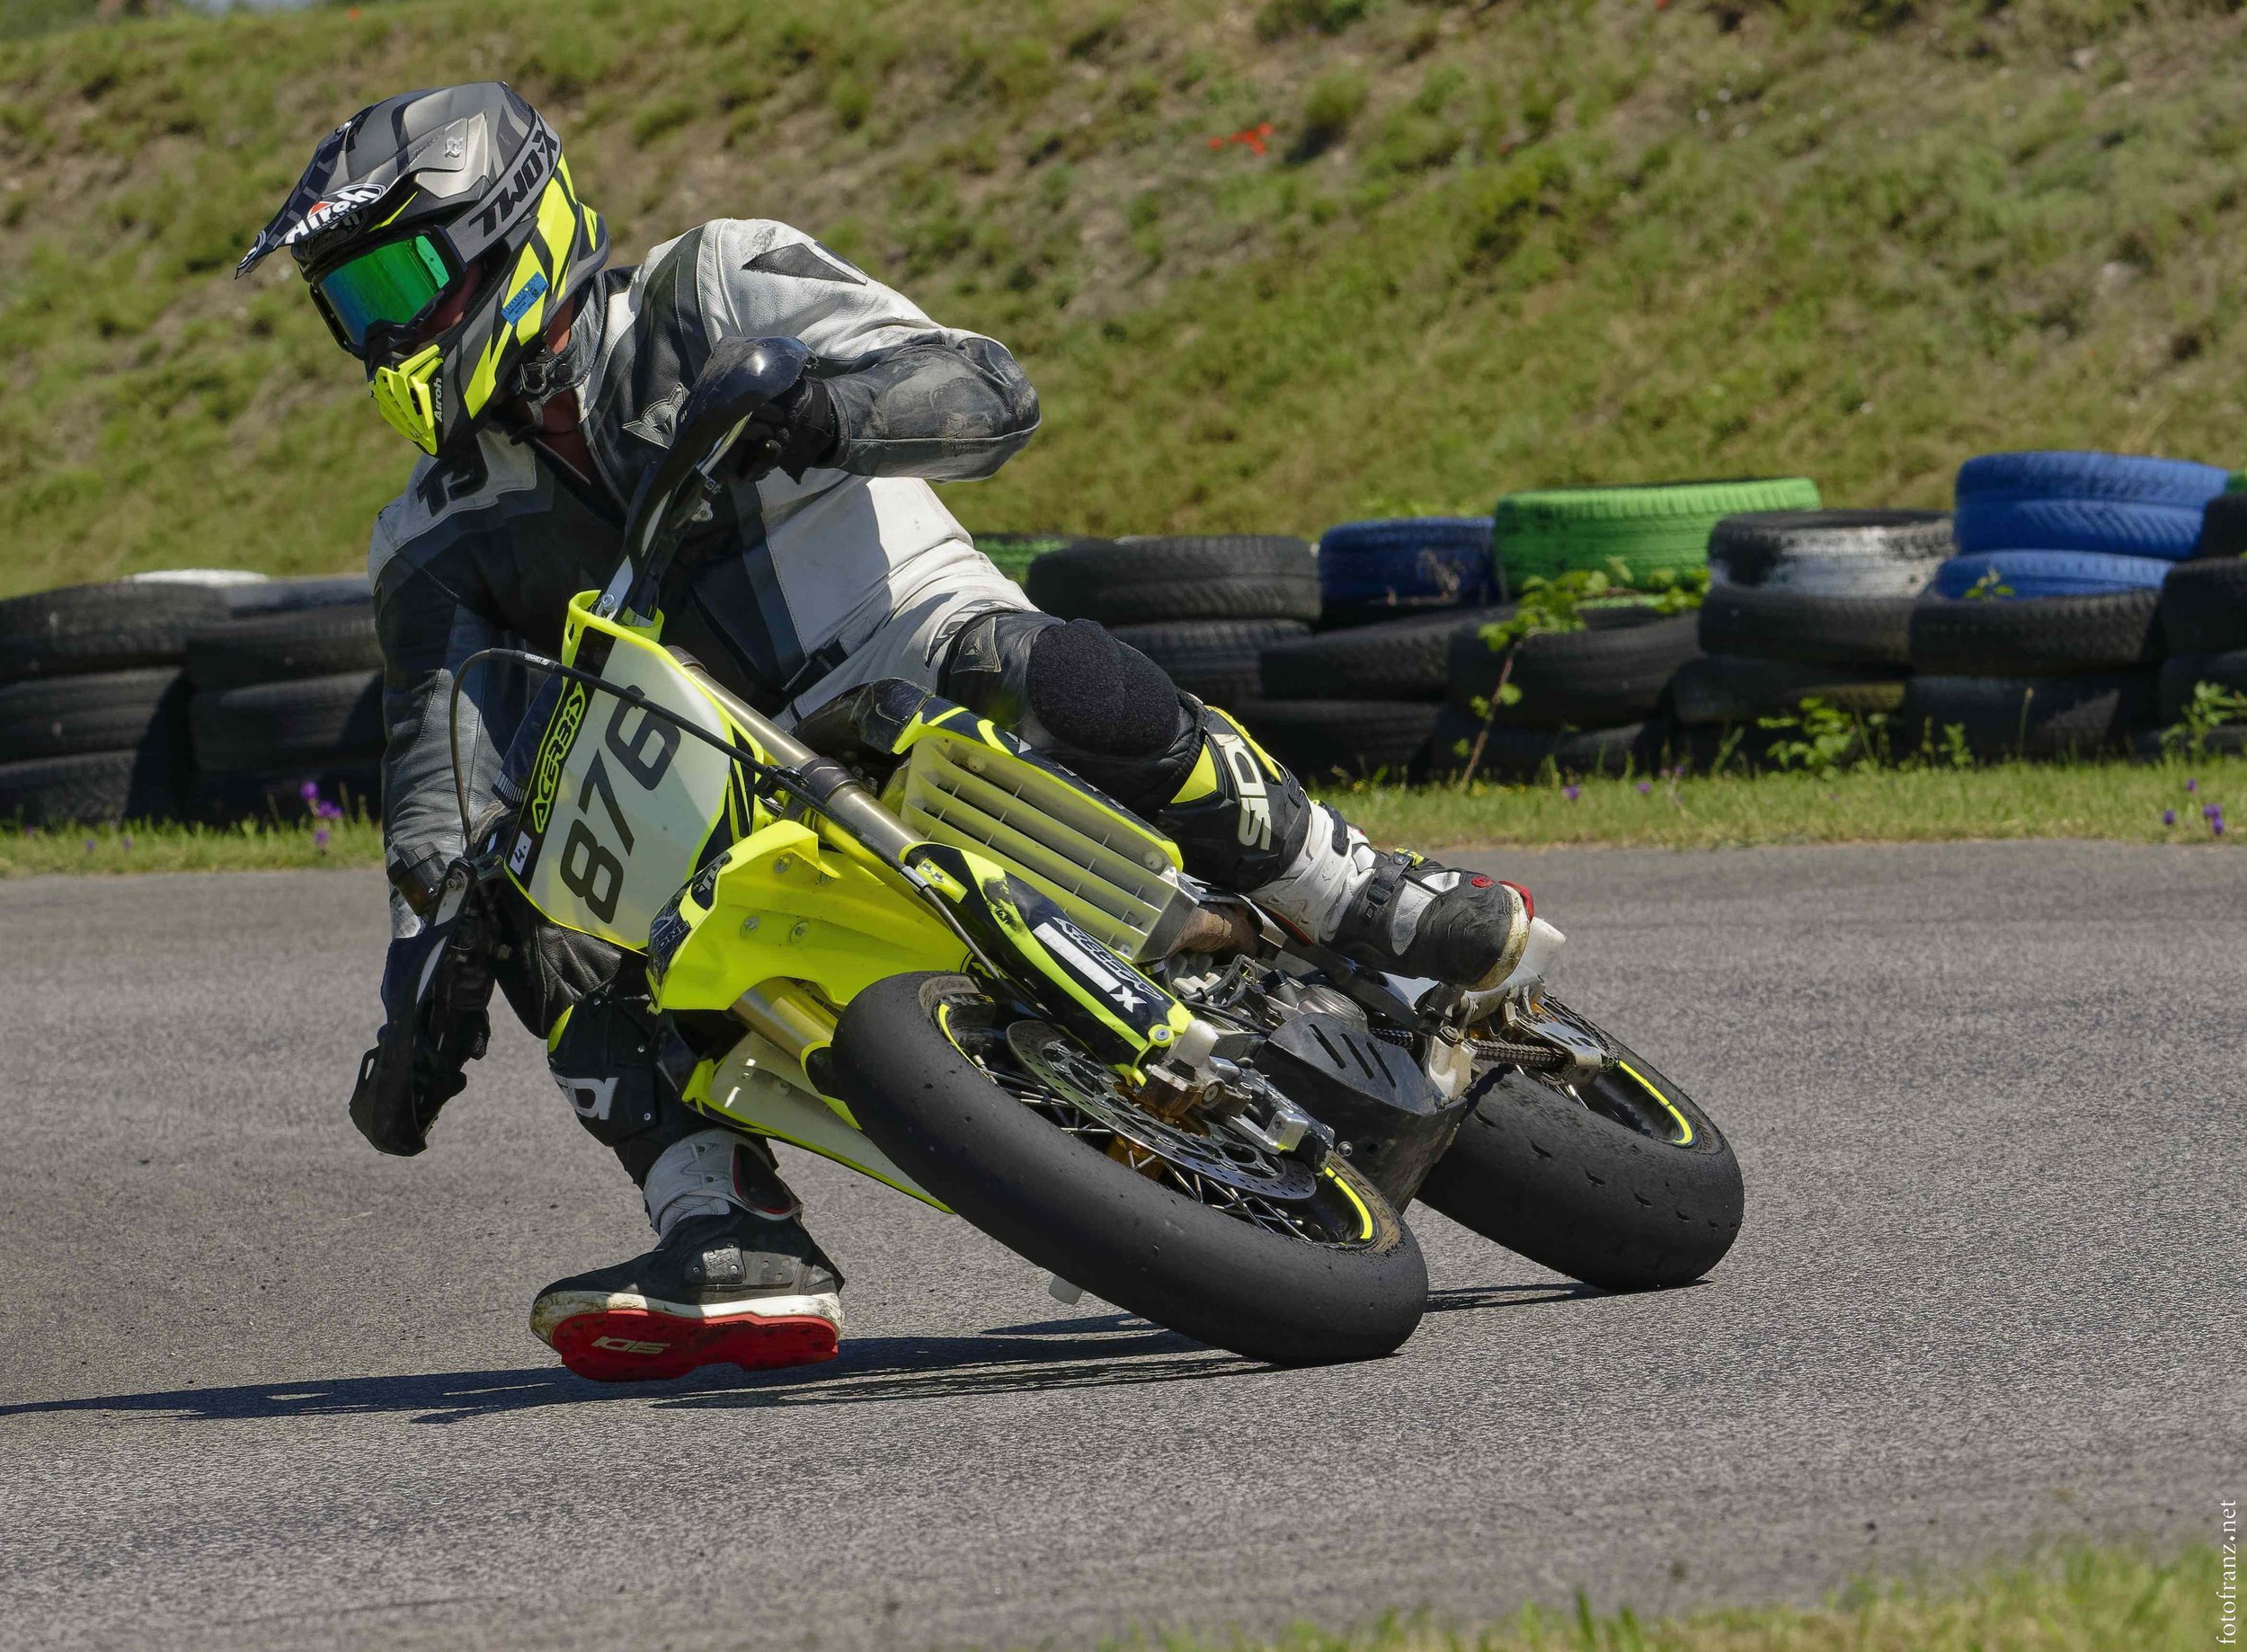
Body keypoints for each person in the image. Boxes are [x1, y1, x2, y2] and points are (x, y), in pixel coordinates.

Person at [239, 82, 1535, 1383]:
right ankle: (724, 1225)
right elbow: (438, 765)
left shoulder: (715, 285)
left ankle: (1356, 888)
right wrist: (425, 969)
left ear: (508, 231)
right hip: (722, 793)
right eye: (349, 303)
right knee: (525, 899)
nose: (378, 330)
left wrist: (828, 410)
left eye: (394, 279)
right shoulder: (429, 532)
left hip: (893, 637)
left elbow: (985, 384)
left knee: (1023, 663)